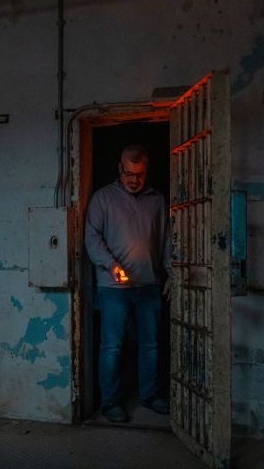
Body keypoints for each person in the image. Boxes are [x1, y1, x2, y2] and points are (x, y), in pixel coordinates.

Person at [84, 144, 171, 423]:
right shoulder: (103, 198)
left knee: (151, 344)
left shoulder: (158, 200)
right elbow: (92, 238)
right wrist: (112, 265)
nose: (134, 180)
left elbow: (169, 240)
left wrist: (171, 273)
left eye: (140, 175)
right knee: (112, 346)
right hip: (113, 287)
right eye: (129, 174)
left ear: (146, 172)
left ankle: (150, 395)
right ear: (119, 170)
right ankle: (110, 402)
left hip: (149, 284)